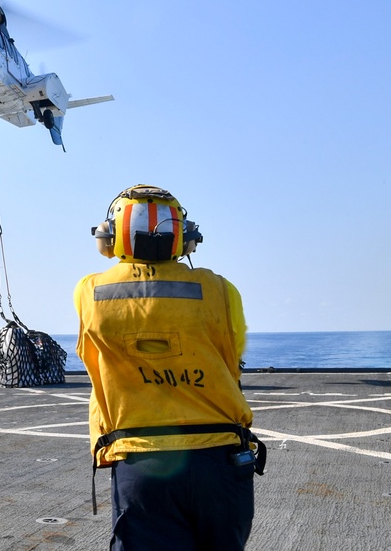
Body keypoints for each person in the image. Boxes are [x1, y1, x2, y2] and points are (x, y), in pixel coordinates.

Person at [74, 185, 262, 551]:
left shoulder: (90, 293)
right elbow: (233, 355)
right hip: (221, 461)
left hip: (142, 461)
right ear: (186, 238)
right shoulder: (221, 290)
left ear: (110, 239)